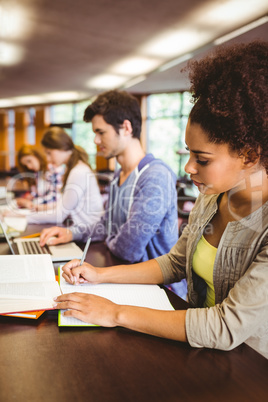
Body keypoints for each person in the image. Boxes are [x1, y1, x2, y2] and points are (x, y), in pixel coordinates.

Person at [53, 41, 268, 358]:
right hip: (195, 347)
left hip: (247, 367)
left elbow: (225, 327)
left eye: (202, 159)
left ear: (249, 155)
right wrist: (99, 274)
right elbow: (175, 263)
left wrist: (115, 313)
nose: (188, 167)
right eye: (188, 152)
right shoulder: (212, 197)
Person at [40, 90, 179, 264]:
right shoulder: (118, 176)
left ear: (126, 128)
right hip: (125, 274)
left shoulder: (155, 175)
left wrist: (110, 239)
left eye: (101, 132)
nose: (96, 141)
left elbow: (128, 249)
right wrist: (71, 233)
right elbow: (106, 226)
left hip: (160, 287)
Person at [24, 127, 104, 227]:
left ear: (61, 147)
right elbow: (62, 206)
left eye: (49, 153)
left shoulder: (78, 171)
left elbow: (59, 215)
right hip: (83, 231)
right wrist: (39, 209)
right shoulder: (75, 168)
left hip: (88, 236)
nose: (48, 159)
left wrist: (23, 217)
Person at [14, 144, 64, 211]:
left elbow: (55, 198)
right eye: (26, 165)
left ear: (37, 155)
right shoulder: (37, 174)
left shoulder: (54, 170)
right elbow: (38, 194)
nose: (29, 167)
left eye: (29, 161)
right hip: (42, 213)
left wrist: (32, 203)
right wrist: (27, 200)